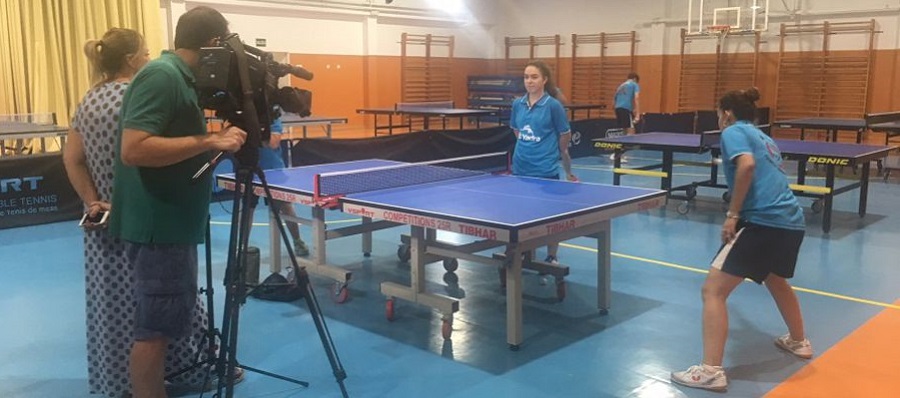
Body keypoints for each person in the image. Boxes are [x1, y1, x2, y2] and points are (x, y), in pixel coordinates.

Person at [63, 27, 220, 397]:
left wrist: (92, 201)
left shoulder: (88, 101)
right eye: (146, 53)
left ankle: (119, 383)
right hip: (145, 217)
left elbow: (72, 159)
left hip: (103, 221)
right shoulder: (141, 94)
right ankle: (176, 374)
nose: (151, 60)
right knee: (158, 310)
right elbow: (146, 150)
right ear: (133, 59)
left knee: (116, 308)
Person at [108, 7, 248, 397]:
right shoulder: (163, 76)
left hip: (171, 223)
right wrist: (209, 141)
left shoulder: (181, 78)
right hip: (160, 227)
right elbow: (134, 149)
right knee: (154, 331)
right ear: (215, 44)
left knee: (164, 326)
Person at [671, 88, 813, 392]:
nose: (719, 118)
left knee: (713, 290)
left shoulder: (733, 131)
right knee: (775, 279)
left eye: (719, 113)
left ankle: (710, 371)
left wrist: (733, 213)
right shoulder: (764, 137)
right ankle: (799, 341)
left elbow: (746, 166)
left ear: (727, 113)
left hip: (763, 221)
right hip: (791, 221)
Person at [509, 59, 576, 265]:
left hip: (545, 169)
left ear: (544, 80)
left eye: (534, 77)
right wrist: (527, 144)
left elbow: (564, 135)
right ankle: (521, 250)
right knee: (520, 214)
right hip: (520, 168)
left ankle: (551, 256)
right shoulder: (517, 104)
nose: (529, 81)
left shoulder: (553, 106)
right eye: (526, 77)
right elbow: (516, 129)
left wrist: (559, 158)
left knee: (549, 217)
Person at [248, 110, 309, 256]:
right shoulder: (245, 117)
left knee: (286, 207)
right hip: (250, 170)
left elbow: (274, 142)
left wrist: (252, 137)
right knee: (246, 211)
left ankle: (297, 241)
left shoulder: (272, 116)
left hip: (273, 172)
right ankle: (241, 246)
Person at [611, 72, 640, 162]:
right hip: (625, 109)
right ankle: (616, 154)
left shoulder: (621, 86)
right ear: (635, 79)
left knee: (624, 133)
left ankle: (619, 155)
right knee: (631, 132)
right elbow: (636, 98)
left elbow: (614, 99)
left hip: (618, 109)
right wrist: (638, 114)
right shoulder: (634, 84)